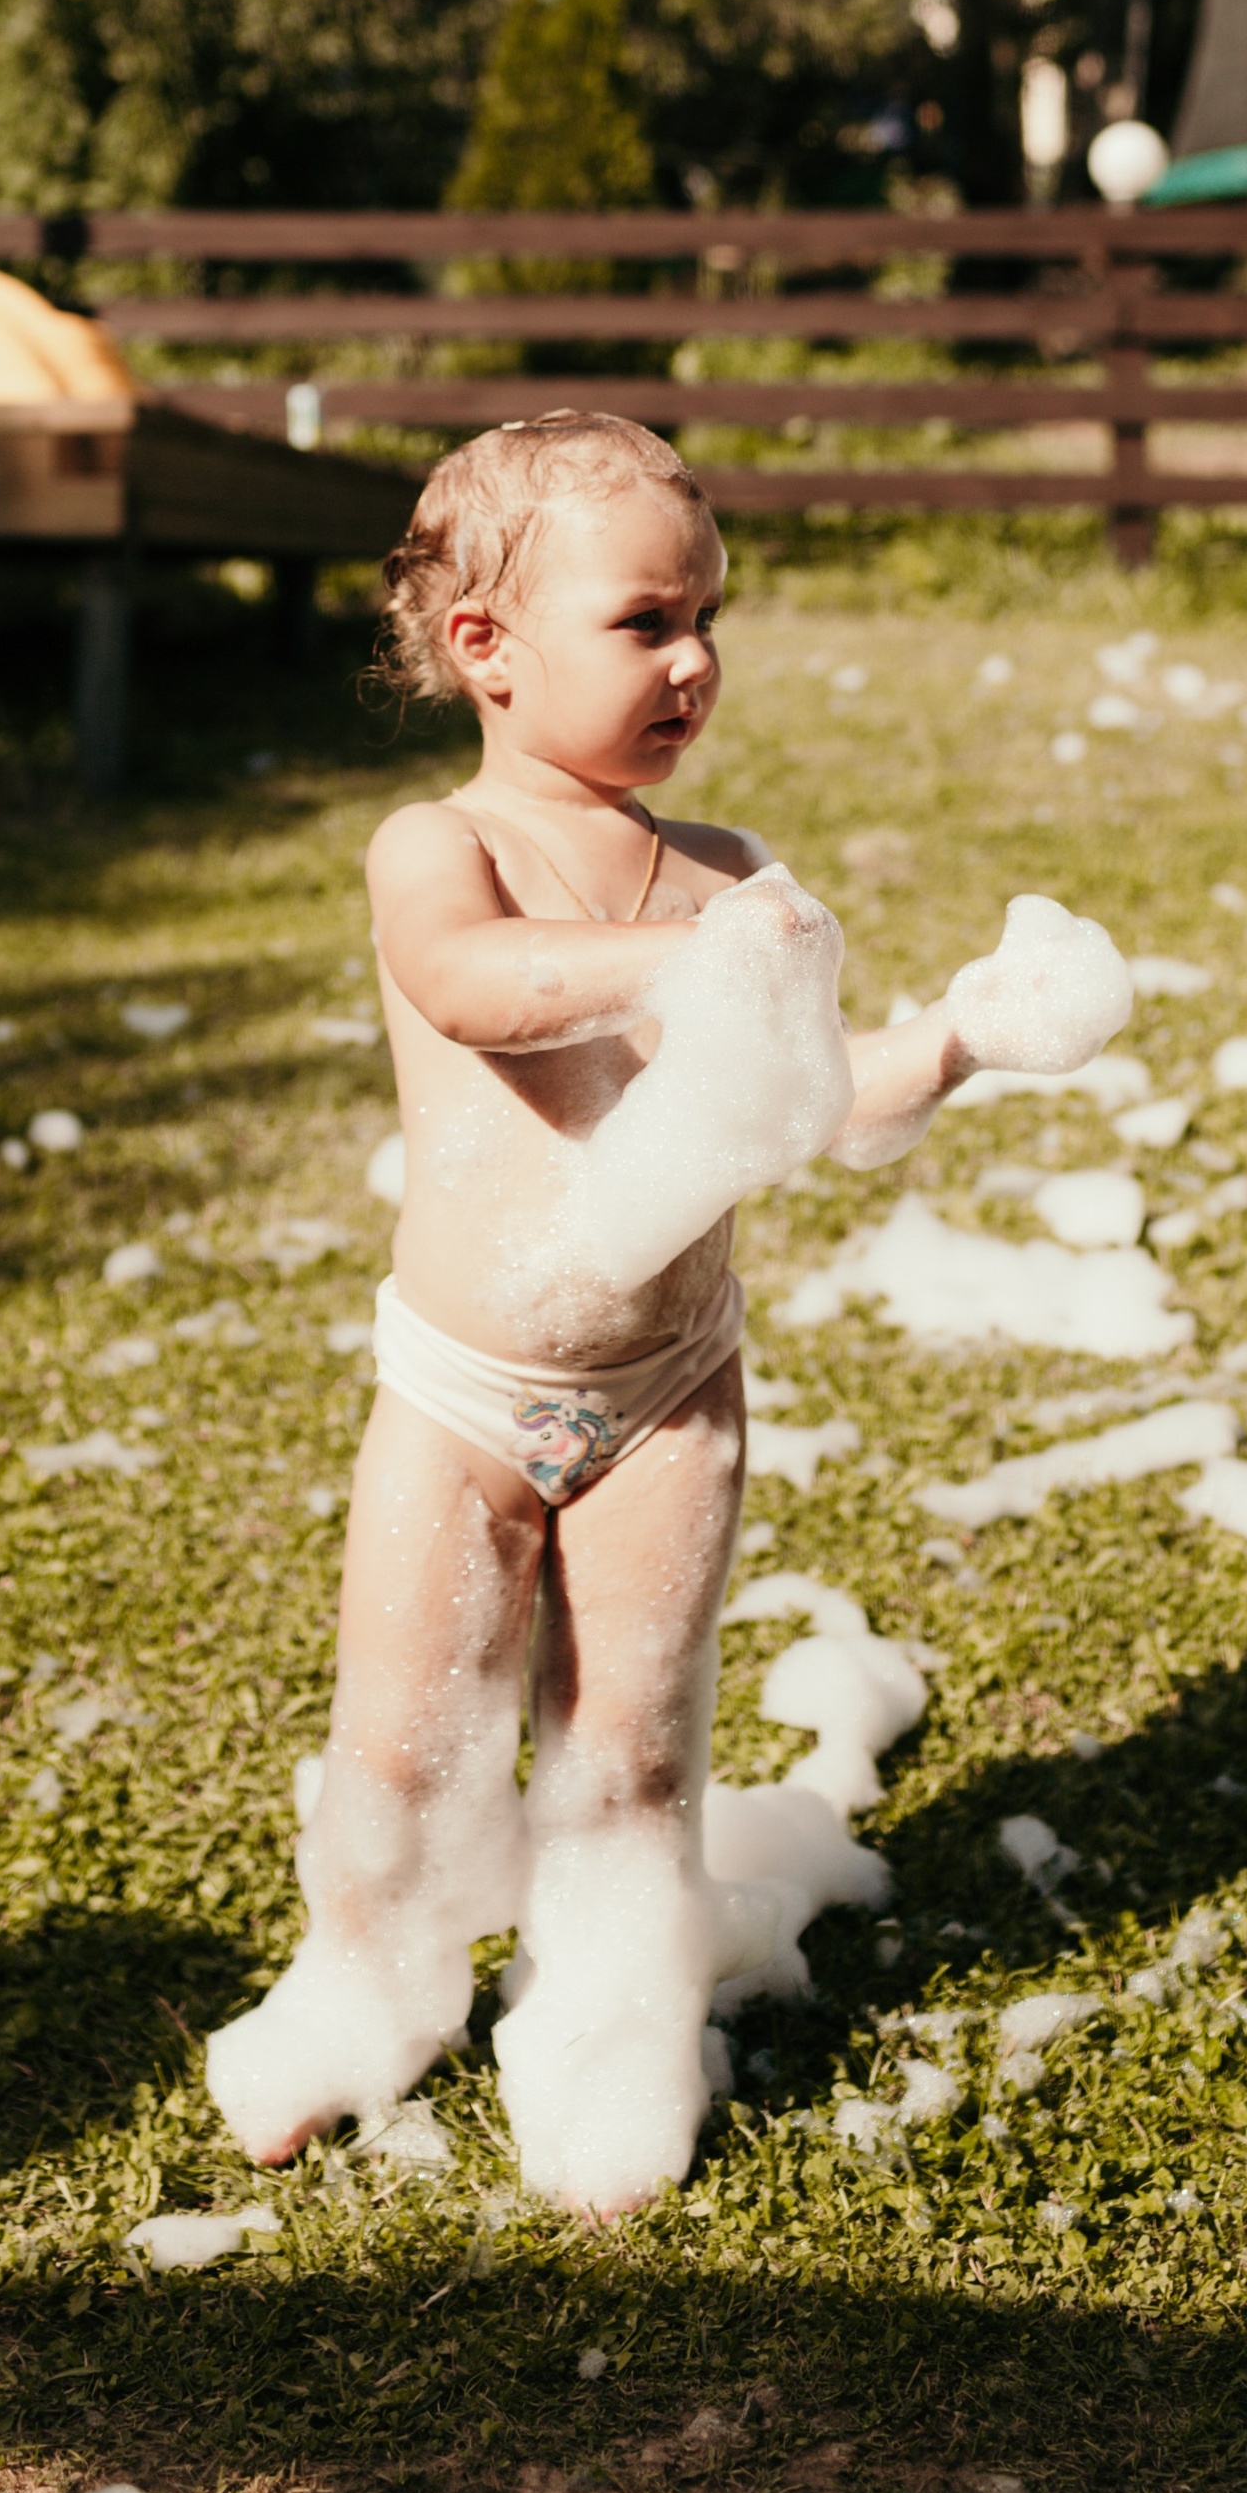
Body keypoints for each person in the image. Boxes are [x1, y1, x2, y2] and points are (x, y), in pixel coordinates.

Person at [204, 410, 1131, 2216]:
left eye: (709, 616)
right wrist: (679, 969)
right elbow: (474, 992)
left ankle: (609, 2037)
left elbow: (811, 1104)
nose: (695, 658)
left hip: (666, 1394)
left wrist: (949, 1039)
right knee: (404, 1741)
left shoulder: (723, 869)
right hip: (467, 1391)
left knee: (632, 1745)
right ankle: (361, 1996)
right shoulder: (437, 849)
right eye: (645, 622)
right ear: (485, 647)